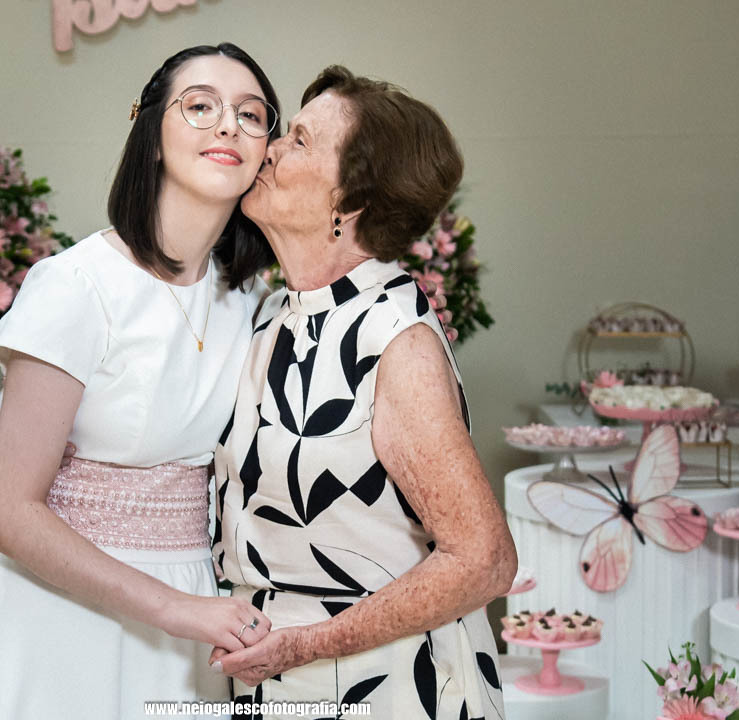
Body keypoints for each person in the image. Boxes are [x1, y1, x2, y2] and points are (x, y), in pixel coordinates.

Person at [0, 43, 282, 719]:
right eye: (200, 106)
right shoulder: (76, 285)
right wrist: (176, 609)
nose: (228, 125)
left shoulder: (251, 300)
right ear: (150, 132)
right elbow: (9, 512)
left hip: (191, 619)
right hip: (53, 622)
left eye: (251, 114)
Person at [210, 66, 517, 720]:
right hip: (274, 684)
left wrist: (306, 645)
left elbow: (484, 561)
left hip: (387, 686)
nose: (268, 149)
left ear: (349, 204)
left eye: (297, 140)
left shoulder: (395, 337)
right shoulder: (272, 313)